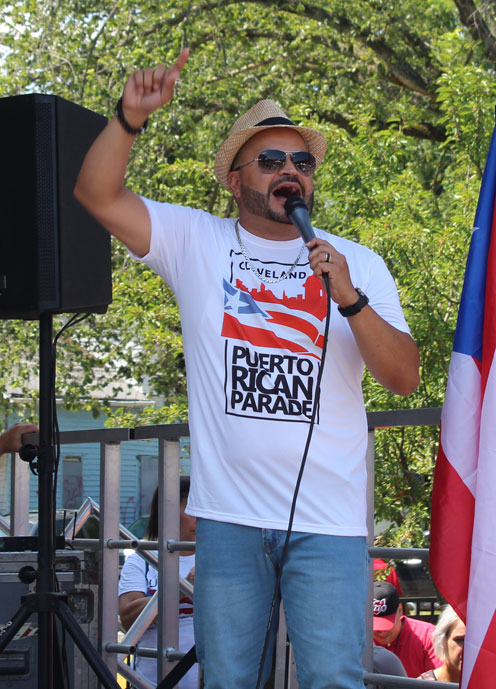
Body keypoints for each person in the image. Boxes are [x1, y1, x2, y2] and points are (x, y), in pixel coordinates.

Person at [75, 51, 420, 689]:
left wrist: (350, 298)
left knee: (334, 680)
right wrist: (127, 120)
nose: (290, 170)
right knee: (226, 679)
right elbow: (95, 193)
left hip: (330, 521)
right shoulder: (197, 242)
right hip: (227, 520)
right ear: (235, 181)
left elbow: (404, 378)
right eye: (270, 160)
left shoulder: (358, 263)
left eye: (302, 161)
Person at [119, 476, 197, 688]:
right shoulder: (143, 559)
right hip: (151, 681)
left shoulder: (220, 557)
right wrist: (182, 590)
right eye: (192, 507)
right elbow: (128, 619)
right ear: (168, 512)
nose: (200, 517)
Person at [373, 581, 440, 678]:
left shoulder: (428, 636)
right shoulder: (359, 638)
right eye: (375, 626)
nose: (381, 632)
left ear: (400, 611)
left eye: (387, 625)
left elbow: (440, 680)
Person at [419, 605, 465, 682]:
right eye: (460, 640)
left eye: (476, 643)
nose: (468, 649)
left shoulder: (490, 682)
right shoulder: (423, 685)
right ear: (443, 641)